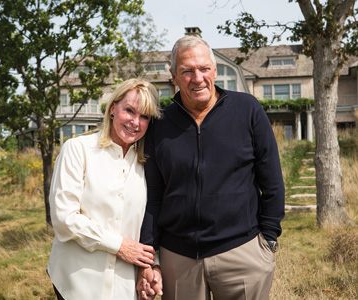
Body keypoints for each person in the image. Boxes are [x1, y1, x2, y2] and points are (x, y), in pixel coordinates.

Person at [137, 35, 285, 300]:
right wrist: (150, 254)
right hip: (177, 259)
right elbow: (153, 196)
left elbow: (272, 180)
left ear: (215, 70)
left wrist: (268, 240)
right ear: (173, 76)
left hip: (242, 252)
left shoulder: (247, 109)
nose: (197, 78)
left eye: (204, 69)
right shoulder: (160, 122)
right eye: (187, 71)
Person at [47, 78, 162, 300]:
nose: (135, 122)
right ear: (112, 109)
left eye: (144, 116)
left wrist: (149, 265)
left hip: (125, 286)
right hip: (77, 283)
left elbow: (147, 223)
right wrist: (119, 246)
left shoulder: (147, 165)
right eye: (129, 111)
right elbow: (64, 219)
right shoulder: (77, 150)